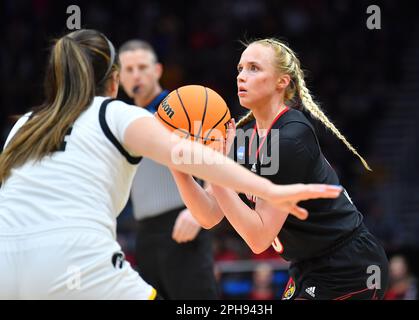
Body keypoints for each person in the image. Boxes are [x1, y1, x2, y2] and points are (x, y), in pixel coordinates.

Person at [0, 30, 341, 299]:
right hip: (75, 257)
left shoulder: (25, 124)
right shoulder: (116, 113)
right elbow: (188, 155)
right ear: (115, 80)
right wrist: (267, 189)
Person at [170, 38, 389, 300]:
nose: (242, 76)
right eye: (240, 69)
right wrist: (177, 167)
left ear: (281, 81)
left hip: (349, 266)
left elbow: (259, 238)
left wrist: (217, 171)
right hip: (307, 266)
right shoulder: (241, 138)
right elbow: (209, 215)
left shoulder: (290, 138)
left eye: (254, 68)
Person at [118, 40, 218, 299]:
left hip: (182, 221)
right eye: (128, 69)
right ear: (119, 77)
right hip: (144, 233)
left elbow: (219, 157)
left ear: (158, 70)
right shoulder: (123, 118)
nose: (135, 75)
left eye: (142, 67)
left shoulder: (182, 106)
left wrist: (199, 213)